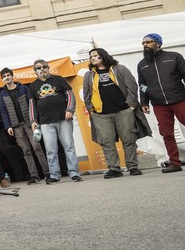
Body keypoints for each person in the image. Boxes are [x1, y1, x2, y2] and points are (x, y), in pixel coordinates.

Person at [83, 48, 150, 178]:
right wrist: (91, 109)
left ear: (103, 56)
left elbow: (132, 86)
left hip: (123, 110)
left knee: (128, 139)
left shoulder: (120, 69)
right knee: (106, 141)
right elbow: (86, 93)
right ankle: (114, 169)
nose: (93, 58)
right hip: (100, 114)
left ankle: (133, 166)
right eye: (91, 56)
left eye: (96, 55)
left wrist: (131, 105)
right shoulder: (89, 75)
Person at [137, 33, 185, 173]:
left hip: (179, 99)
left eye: (148, 42)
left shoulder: (174, 57)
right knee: (166, 133)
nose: (145, 45)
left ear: (158, 43)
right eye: (143, 43)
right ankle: (175, 163)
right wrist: (144, 101)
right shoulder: (142, 64)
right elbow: (142, 85)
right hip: (158, 104)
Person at [29, 60, 82, 183]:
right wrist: (33, 120)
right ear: (35, 71)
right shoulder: (33, 86)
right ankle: (54, 175)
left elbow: (70, 95)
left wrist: (70, 109)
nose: (41, 69)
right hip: (45, 123)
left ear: (48, 68)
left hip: (63, 119)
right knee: (50, 149)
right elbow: (32, 105)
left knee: (69, 146)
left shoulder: (59, 79)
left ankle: (74, 173)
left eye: (44, 67)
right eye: (38, 68)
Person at [0, 67, 49, 184]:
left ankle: (47, 173)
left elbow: (32, 105)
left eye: (8, 75)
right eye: (4, 76)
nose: (6, 78)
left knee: (37, 147)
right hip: (16, 126)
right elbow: (3, 111)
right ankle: (34, 175)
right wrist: (8, 126)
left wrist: (34, 120)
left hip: (29, 123)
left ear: (12, 76)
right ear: (2, 79)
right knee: (26, 150)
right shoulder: (2, 94)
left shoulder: (24, 88)